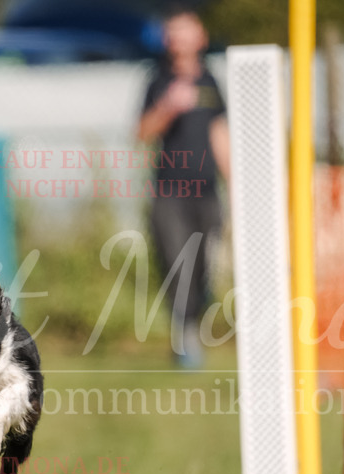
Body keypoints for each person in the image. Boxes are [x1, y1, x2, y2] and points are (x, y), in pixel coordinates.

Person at [137, 9, 229, 368]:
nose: (180, 39)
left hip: (208, 189)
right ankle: (186, 340)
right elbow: (142, 133)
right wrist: (168, 106)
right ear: (167, 40)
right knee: (177, 263)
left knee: (206, 266)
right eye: (174, 32)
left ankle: (192, 325)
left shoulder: (211, 82)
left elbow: (219, 132)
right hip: (170, 191)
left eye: (186, 32)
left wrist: (234, 183)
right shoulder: (156, 81)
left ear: (201, 38)